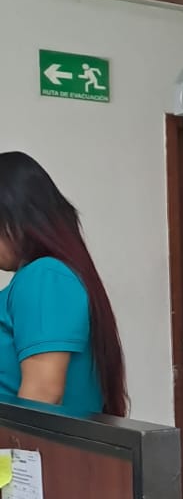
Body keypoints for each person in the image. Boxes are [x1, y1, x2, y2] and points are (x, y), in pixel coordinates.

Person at [0, 152, 128, 417]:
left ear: (17, 219)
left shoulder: (44, 276)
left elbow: (43, 395)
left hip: (30, 443)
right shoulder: (46, 276)